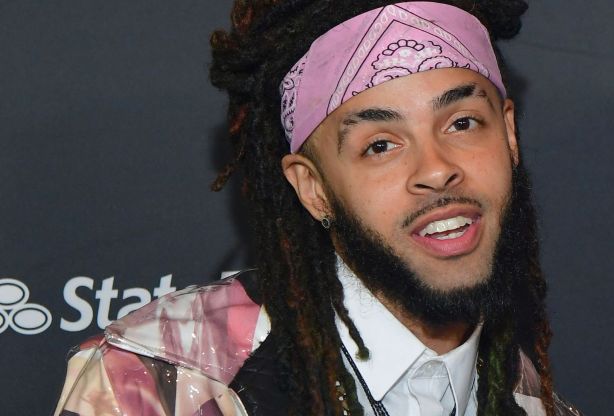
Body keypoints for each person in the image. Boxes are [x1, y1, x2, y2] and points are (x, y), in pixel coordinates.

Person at [54, 1, 582, 415]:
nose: (436, 168)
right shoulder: (161, 383)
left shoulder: (528, 398)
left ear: (509, 133)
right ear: (312, 187)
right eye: (380, 144)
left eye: (462, 123)